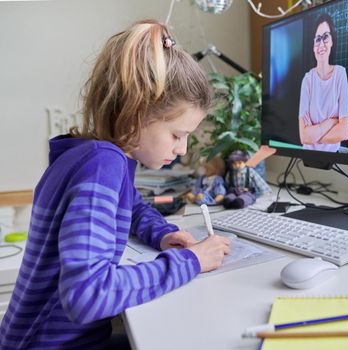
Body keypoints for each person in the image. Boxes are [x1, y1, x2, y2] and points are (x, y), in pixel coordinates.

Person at [0, 19, 231, 350]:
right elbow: (88, 295)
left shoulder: (94, 156)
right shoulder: (102, 166)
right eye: (178, 135)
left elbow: (131, 205)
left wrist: (163, 233)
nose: (181, 150)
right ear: (137, 113)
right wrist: (192, 261)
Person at [298, 13, 348, 152]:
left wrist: (314, 135)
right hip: (307, 157)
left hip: (334, 157)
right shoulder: (308, 79)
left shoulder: (340, 74)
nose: (321, 44)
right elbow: (304, 137)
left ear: (332, 41)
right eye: (317, 39)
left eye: (326, 37)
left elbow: (344, 132)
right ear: (313, 45)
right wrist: (332, 122)